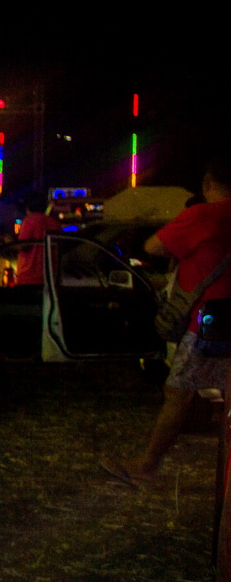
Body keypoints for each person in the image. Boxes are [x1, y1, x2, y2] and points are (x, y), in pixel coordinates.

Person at [103, 156, 231, 486]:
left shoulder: (203, 215)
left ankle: (147, 465)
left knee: (178, 393)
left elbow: (154, 245)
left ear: (208, 183)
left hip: (210, 322)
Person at [13, 194, 62, 286]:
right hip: (50, 277)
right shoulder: (54, 223)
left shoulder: (29, 221)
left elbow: (22, 246)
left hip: (28, 276)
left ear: (27, 207)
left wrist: (8, 240)